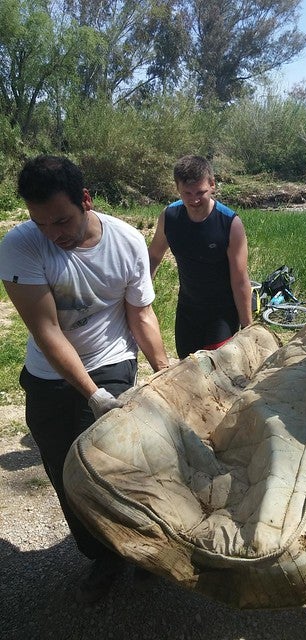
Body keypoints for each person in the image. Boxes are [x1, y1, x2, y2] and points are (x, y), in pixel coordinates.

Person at [0, 155, 170, 604]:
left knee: (123, 466)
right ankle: (103, 556)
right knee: (67, 473)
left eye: (61, 220)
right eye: (41, 223)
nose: (53, 233)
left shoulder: (127, 241)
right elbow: (47, 331)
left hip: (111, 359)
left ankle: (147, 547)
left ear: (86, 200)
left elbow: (141, 314)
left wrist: (166, 373)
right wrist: (92, 395)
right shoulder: (20, 245)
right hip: (49, 372)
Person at [148, 155, 252, 359]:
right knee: (188, 366)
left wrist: (248, 327)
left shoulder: (230, 223)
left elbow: (240, 280)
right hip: (187, 310)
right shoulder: (170, 217)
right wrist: (140, 295)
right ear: (177, 188)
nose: (194, 200)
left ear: (212, 185)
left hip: (222, 313)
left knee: (216, 369)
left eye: (200, 192)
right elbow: (153, 257)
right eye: (187, 193)